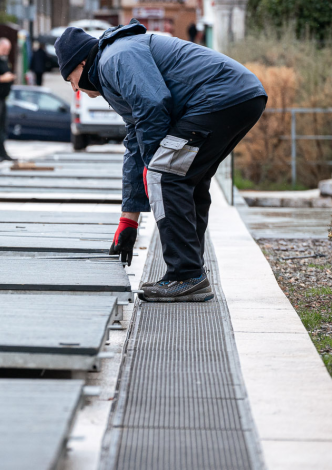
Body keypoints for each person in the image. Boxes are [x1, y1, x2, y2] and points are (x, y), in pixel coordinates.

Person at [55, 19, 267, 302]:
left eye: (70, 79)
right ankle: (191, 271)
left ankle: (186, 275)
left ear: (82, 63)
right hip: (240, 96)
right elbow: (135, 141)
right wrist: (128, 220)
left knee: (166, 174)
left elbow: (153, 105)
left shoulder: (115, 58)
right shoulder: (112, 67)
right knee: (186, 178)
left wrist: (155, 163)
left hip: (219, 97)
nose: (74, 89)